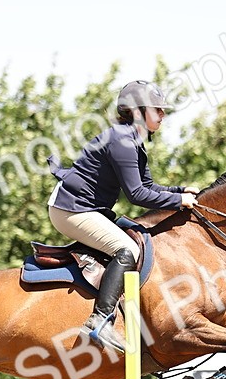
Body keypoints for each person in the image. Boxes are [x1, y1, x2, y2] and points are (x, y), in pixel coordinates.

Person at [47, 80, 199, 353]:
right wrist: (178, 201)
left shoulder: (134, 140)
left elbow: (149, 187)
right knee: (126, 248)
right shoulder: (122, 141)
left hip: (89, 209)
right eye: (158, 110)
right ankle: (100, 320)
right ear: (138, 111)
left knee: (139, 235)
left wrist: (180, 191)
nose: (163, 115)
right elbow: (138, 196)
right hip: (71, 209)